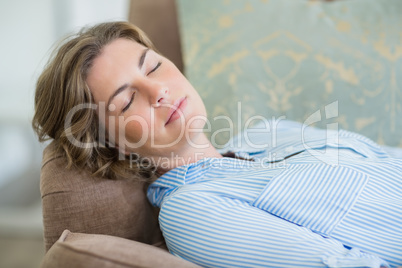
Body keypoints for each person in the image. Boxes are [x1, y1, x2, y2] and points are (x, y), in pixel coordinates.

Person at [32, 21, 401, 268]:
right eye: (127, 102)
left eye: (153, 67)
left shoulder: (267, 133)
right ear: (113, 146)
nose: (157, 91)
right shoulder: (190, 211)